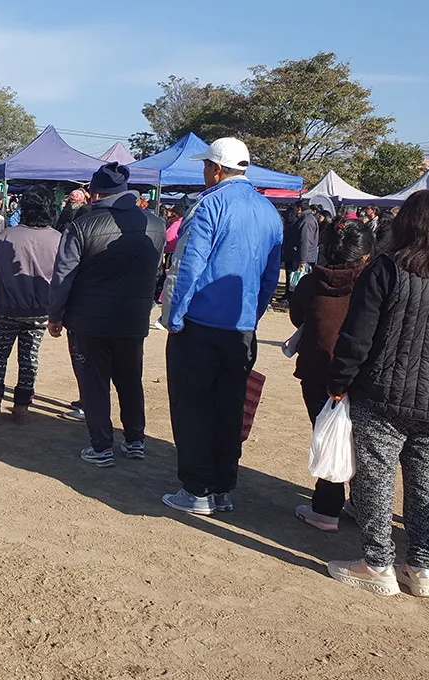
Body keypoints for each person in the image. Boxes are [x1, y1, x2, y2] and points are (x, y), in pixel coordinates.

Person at [325, 189, 429, 598]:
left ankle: (377, 563)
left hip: (384, 394)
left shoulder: (388, 268)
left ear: (407, 224)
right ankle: (422, 568)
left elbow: (358, 335)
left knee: (376, 479)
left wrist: (339, 382)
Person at [160, 137, 283, 515]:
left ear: (215, 169)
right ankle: (221, 488)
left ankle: (195, 489)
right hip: (242, 329)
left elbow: (187, 266)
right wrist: (253, 315)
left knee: (193, 407)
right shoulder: (269, 212)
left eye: (205, 167)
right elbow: (269, 277)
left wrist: (173, 315)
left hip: (199, 326)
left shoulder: (209, 205)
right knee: (229, 409)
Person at [48, 163, 166, 466]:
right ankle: (135, 439)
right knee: (130, 379)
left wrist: (55, 314)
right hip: (133, 316)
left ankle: (101, 446)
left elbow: (64, 274)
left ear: (95, 192)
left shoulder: (82, 225)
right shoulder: (154, 224)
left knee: (94, 381)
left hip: (89, 319)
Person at [289, 221, 374, 532]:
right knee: (365, 444)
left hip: (318, 371)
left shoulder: (312, 283)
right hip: (365, 374)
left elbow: (298, 315)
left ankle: (327, 506)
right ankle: (361, 503)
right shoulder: (374, 283)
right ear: (366, 255)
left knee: (327, 435)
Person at [0, 186, 62, 423]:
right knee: (29, 358)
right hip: (40, 311)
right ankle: (22, 408)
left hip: (7, 308)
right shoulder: (58, 239)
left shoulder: (6, 236)